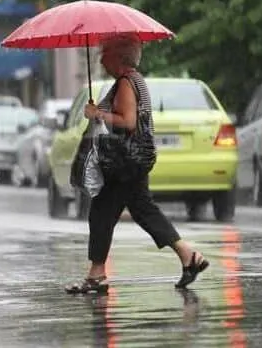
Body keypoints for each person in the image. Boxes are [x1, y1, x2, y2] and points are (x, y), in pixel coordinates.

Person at [65, 37, 209, 294]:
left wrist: (97, 114)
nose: (101, 59)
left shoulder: (125, 83)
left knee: (101, 212)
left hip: (124, 161)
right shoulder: (135, 80)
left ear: (119, 57)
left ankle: (97, 275)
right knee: (142, 210)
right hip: (133, 159)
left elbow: (128, 121)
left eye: (105, 53)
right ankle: (189, 257)